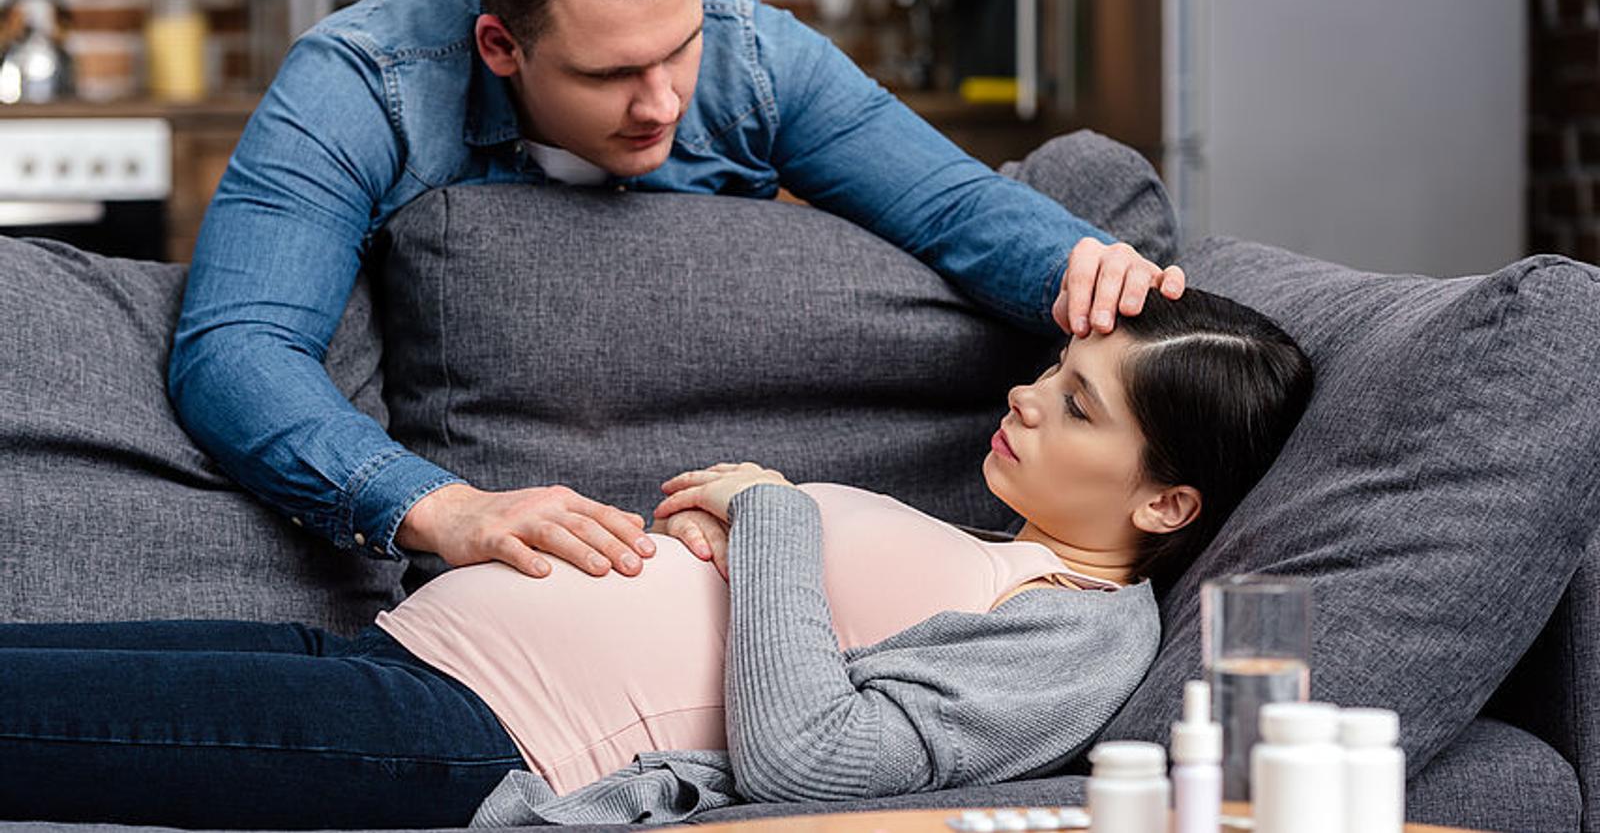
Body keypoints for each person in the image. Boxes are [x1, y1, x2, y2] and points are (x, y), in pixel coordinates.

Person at [2, 290, 1312, 829]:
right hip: (397, 662)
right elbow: (800, 642)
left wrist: (776, 522)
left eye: (1079, 406)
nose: (1027, 399)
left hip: (465, 736)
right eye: (1049, 371)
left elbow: (816, 755)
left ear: (1166, 501)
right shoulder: (1000, 547)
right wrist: (735, 553)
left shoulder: (1081, 635)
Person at [167, 0, 1186, 584]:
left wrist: (1080, 268)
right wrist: (444, 508)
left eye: (679, 46)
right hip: (485, 538)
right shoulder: (363, 82)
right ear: (498, 46)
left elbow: (955, 206)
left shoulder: (750, 52)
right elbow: (236, 348)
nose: (662, 101)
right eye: (611, 73)